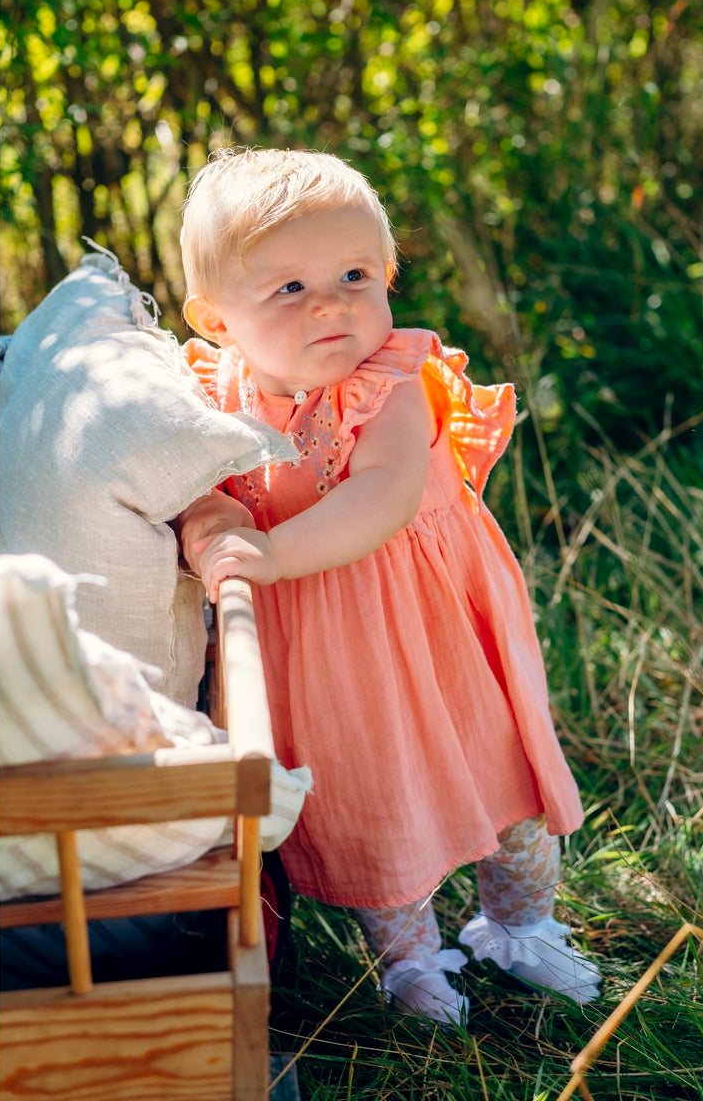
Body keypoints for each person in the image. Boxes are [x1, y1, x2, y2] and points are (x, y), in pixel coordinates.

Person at [173, 147, 602, 1026]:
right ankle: (409, 960)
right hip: (327, 645)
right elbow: (195, 496)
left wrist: (271, 556)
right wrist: (211, 531)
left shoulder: (389, 385)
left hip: (437, 615)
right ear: (215, 320)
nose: (330, 302)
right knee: (376, 795)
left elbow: (382, 495)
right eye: (288, 289)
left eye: (354, 274)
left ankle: (519, 925)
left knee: (500, 775)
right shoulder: (208, 399)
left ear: (389, 277)